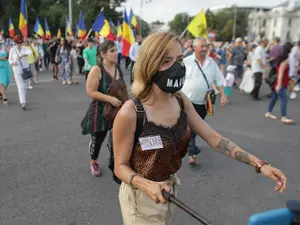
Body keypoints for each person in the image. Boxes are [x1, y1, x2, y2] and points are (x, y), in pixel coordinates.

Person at [112, 32, 287, 225]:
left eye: (179, 59)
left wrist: (259, 164)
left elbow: (213, 137)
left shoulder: (179, 100)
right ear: (149, 65)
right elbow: (120, 167)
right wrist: (146, 185)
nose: (177, 67)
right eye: (166, 61)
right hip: (141, 199)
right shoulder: (130, 112)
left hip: (169, 190)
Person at [81, 40, 125, 177]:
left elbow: (121, 88)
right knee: (98, 140)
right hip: (99, 112)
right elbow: (91, 91)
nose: (115, 53)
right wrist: (110, 99)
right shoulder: (96, 69)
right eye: (112, 51)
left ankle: (118, 164)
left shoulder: (117, 68)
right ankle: (94, 162)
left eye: (116, 50)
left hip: (117, 110)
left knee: (117, 138)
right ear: (103, 54)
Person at [181, 37, 227, 165]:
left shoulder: (211, 62)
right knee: (191, 126)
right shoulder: (186, 61)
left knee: (195, 127)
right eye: (202, 46)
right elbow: (177, 77)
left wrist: (223, 95)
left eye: (206, 46)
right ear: (194, 48)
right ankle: (192, 153)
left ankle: (191, 146)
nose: (204, 49)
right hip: (187, 101)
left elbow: (219, 79)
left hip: (204, 103)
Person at [265, 43, 294, 124]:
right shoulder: (285, 61)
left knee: (274, 98)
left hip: (280, 83)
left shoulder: (281, 59)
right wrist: (279, 85)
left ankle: (268, 113)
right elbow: (280, 73)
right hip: (280, 83)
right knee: (284, 99)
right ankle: (283, 117)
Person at [8, 35, 31, 110]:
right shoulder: (12, 49)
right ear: (15, 42)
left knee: (25, 86)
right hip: (17, 69)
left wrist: (23, 54)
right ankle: (23, 102)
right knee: (20, 86)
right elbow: (10, 60)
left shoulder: (25, 48)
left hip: (25, 69)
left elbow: (29, 52)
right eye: (18, 42)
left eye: (20, 42)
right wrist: (13, 63)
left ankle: (23, 99)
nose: (19, 44)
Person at [0, 36, 12, 105]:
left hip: (6, 66)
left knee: (7, 81)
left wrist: (9, 51)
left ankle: (1, 92)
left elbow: (9, 55)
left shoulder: (4, 47)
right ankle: (4, 98)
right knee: (2, 82)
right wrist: (1, 58)